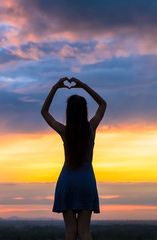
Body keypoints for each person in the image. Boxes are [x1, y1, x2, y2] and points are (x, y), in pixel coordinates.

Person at [41, 77, 107, 240]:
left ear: (68, 112)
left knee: (71, 232)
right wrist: (83, 86)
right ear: (84, 110)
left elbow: (44, 112)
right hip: (86, 181)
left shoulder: (65, 131)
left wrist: (56, 87)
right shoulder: (91, 128)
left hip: (68, 182)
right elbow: (102, 104)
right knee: (84, 231)